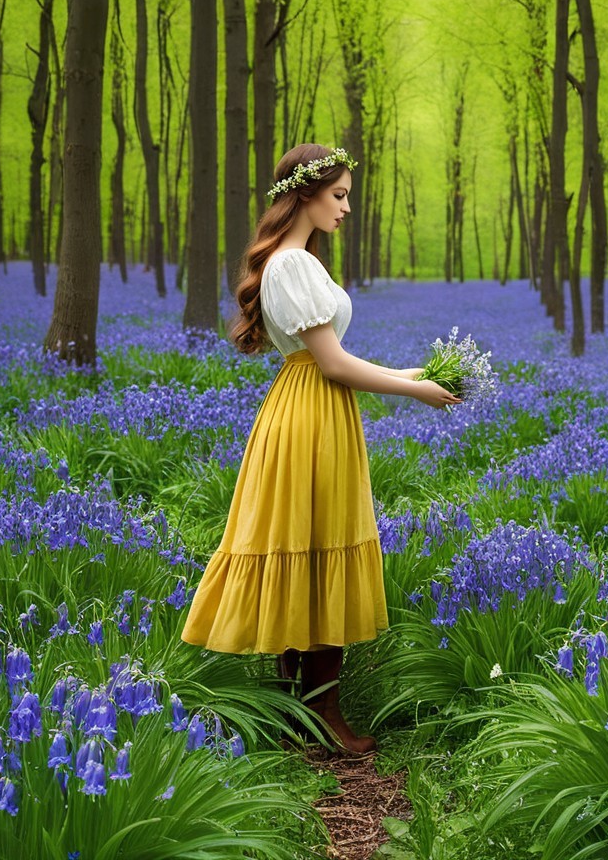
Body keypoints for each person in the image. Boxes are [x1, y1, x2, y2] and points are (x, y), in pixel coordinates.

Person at [181, 143, 459, 754]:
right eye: (338, 195)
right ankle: (323, 717)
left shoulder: (294, 262)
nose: (347, 207)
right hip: (312, 413)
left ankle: (298, 713)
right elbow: (331, 364)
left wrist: (411, 375)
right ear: (304, 194)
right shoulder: (294, 266)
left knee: (307, 545)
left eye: (348, 195)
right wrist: (414, 393)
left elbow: (328, 359)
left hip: (306, 406)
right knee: (316, 543)